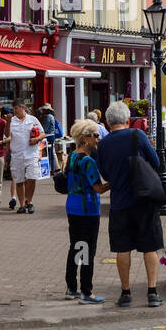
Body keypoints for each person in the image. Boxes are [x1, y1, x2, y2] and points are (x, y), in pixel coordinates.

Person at [96, 100, 165, 307]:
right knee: (149, 247)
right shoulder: (137, 135)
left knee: (122, 248)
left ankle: (125, 293)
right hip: (143, 200)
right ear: (127, 120)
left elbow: (105, 173)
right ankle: (152, 292)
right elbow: (156, 162)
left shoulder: (103, 144)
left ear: (108, 123)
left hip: (119, 203)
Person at [63, 118, 109, 304]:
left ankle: (71, 288)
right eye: (96, 135)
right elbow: (97, 188)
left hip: (72, 206)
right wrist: (113, 184)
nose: (98, 139)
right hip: (87, 208)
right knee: (87, 249)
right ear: (86, 138)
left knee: (76, 246)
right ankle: (86, 291)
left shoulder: (72, 156)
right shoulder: (88, 161)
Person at [7, 99, 45, 213]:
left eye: (16, 108)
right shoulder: (12, 120)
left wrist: (37, 139)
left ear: (23, 107)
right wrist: (8, 122)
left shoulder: (33, 119)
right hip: (16, 155)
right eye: (13, 109)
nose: (14, 111)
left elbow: (42, 133)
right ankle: (22, 205)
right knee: (19, 181)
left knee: (32, 178)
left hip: (31, 154)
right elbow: (6, 134)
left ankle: (30, 201)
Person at [38, 103, 64, 173]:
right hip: (51, 136)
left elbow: (44, 129)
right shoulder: (51, 116)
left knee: (47, 154)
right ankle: (54, 168)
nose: (43, 111)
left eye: (44, 110)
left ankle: (50, 169)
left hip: (48, 136)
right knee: (52, 153)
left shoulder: (47, 117)